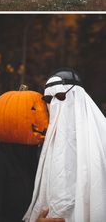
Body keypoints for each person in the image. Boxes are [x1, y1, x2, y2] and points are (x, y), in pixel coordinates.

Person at [23, 68, 106, 222]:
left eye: (60, 97)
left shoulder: (101, 136)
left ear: (77, 96)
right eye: (48, 100)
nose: (54, 104)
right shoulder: (38, 146)